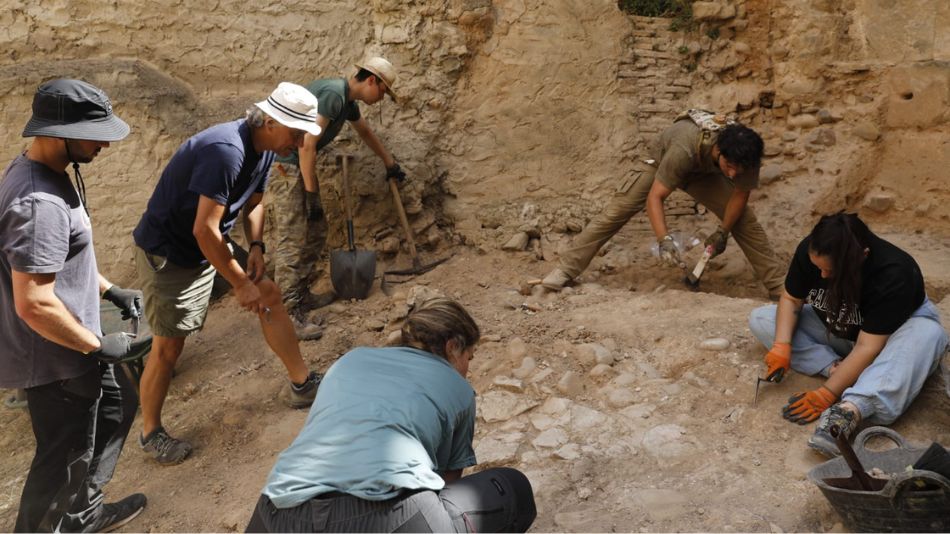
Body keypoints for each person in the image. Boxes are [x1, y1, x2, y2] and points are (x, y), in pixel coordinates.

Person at [132, 82, 325, 466]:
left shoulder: (268, 149)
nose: (301, 141)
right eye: (296, 132)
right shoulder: (225, 151)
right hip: (170, 252)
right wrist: (238, 282)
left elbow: (255, 204)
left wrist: (256, 246)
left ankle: (302, 385)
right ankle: (149, 432)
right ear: (270, 121)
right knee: (169, 346)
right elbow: (203, 230)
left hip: (208, 242)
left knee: (268, 292)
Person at [246, 298, 537, 533]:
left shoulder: (351, 359)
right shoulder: (457, 388)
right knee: (514, 488)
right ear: (452, 347)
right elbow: (446, 482)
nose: (467, 369)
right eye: (468, 358)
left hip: (278, 509)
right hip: (386, 518)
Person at [0, 79, 146, 532]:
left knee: (119, 406)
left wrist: (108, 289)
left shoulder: (46, 176)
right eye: (94, 131)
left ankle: (84, 513)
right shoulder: (38, 202)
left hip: (75, 345)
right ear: (57, 131)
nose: (104, 142)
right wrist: (99, 347)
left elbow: (62, 259)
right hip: (57, 359)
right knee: (61, 461)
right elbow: (35, 303)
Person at [749, 212, 948, 457]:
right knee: (763, 319)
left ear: (861, 257)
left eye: (829, 271)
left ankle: (850, 410)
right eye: (816, 267)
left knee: (929, 333)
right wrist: (781, 345)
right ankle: (837, 369)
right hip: (842, 329)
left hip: (889, 339)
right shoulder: (813, 250)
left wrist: (827, 394)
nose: (821, 276)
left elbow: (867, 345)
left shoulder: (895, 273)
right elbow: (791, 299)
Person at [542, 109, 785, 299]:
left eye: (738, 170)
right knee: (616, 211)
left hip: (704, 174)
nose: (733, 174)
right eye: (729, 167)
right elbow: (655, 197)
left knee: (744, 220)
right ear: (719, 150)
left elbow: (739, 195)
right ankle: (565, 270)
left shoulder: (746, 156)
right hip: (661, 163)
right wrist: (664, 240)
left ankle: (779, 287)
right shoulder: (684, 146)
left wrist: (723, 232)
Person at [270, 56, 407, 321]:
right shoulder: (334, 94)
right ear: (371, 80)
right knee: (293, 237)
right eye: (383, 91)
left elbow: (365, 132)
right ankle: (286, 315)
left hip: (299, 167)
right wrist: (311, 195)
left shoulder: (347, 102)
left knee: (317, 231)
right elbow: (307, 145)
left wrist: (390, 163)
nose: (381, 98)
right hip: (286, 167)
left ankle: (300, 295)